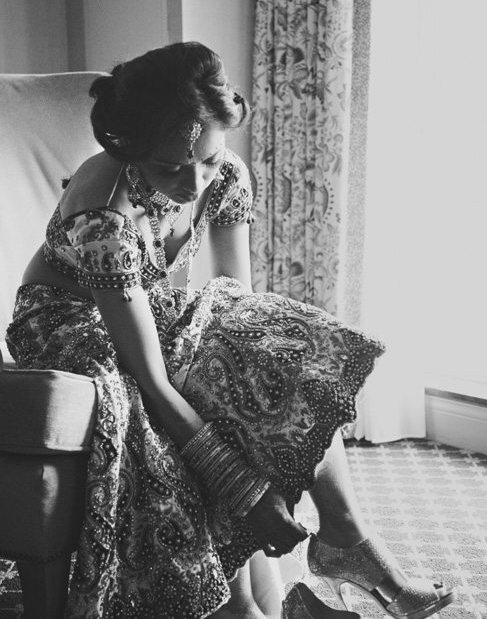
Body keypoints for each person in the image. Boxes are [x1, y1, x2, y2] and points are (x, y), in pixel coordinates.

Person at [6, 42, 456, 619]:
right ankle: (236, 607)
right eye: (169, 168)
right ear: (132, 152)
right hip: (67, 324)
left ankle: (345, 537)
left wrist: (250, 376)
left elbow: (240, 309)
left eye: (208, 160)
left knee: (270, 347)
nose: (194, 183)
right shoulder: (104, 216)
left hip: (150, 309)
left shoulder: (224, 176)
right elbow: (153, 383)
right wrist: (245, 491)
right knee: (151, 415)